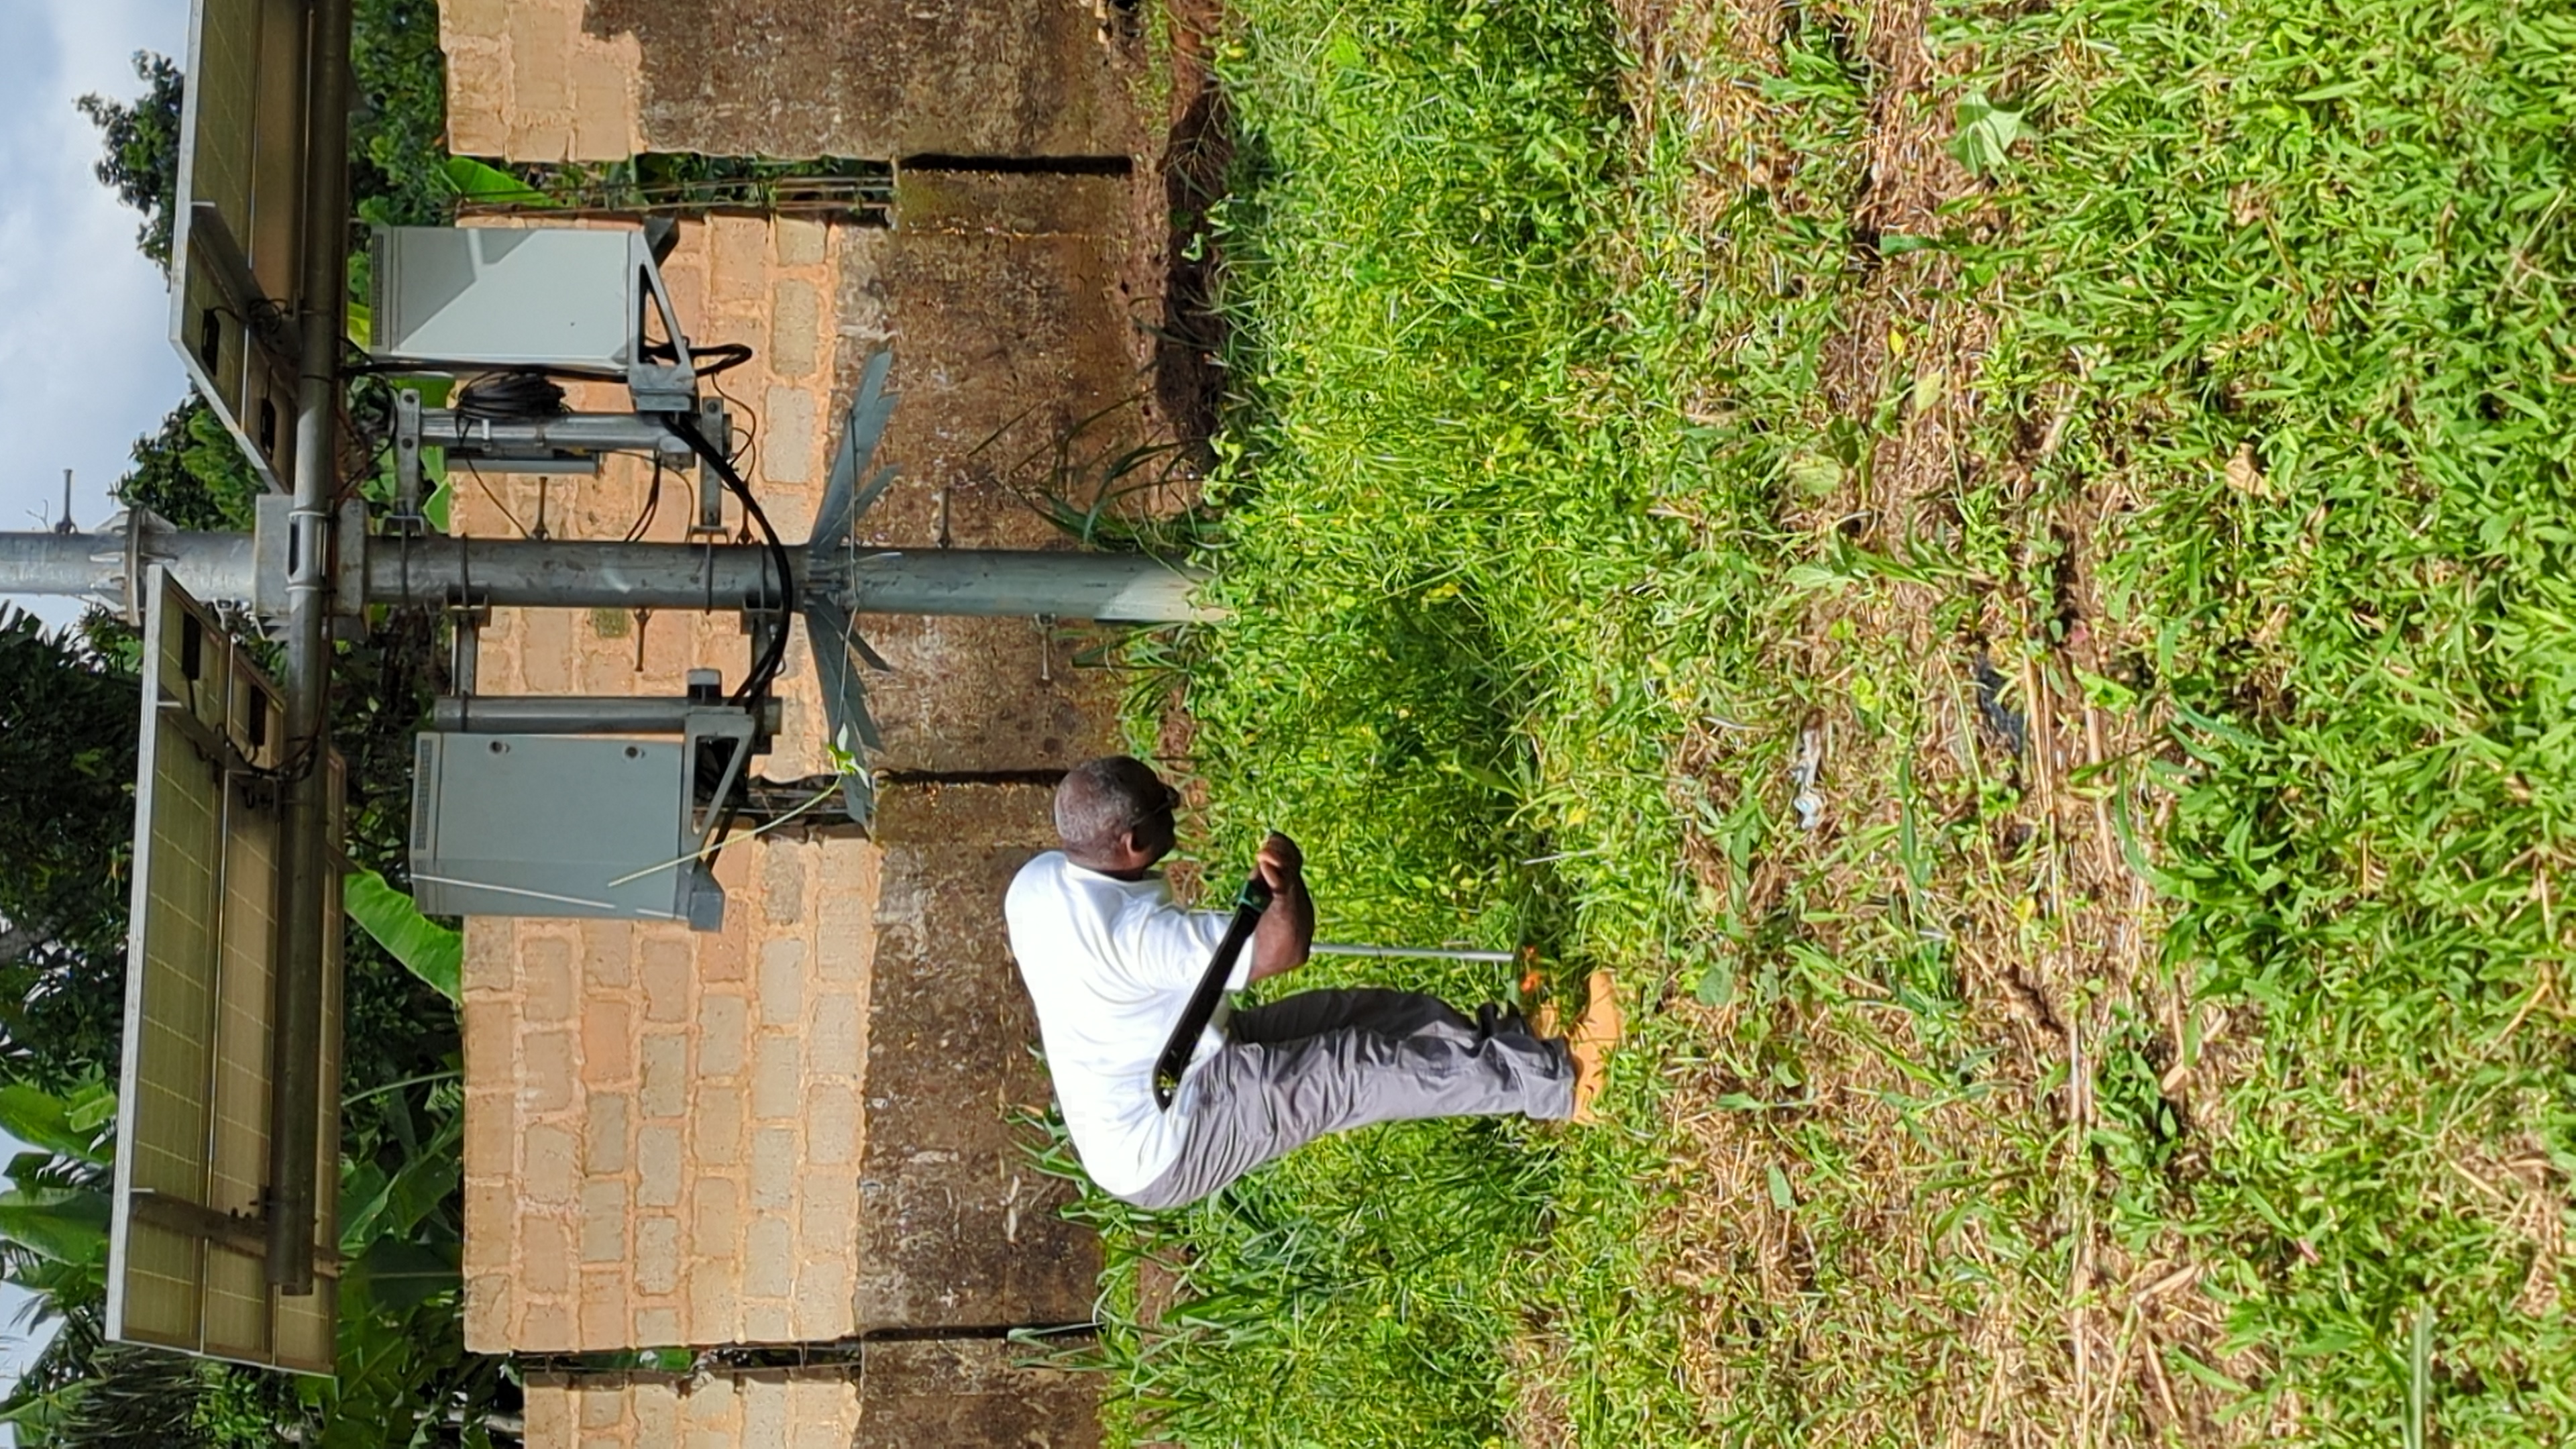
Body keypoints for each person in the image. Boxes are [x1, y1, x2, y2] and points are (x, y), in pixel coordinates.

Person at [1004, 754, 1619, 1210]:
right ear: (1135, 843)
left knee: (1365, 1016)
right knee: (1352, 1070)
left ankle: (1520, 1042)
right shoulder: (1134, 938)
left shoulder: (1037, 882)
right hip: (1169, 1130)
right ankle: (1565, 1082)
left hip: (1184, 1055)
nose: (1176, 798)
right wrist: (1284, 882)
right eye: (1167, 801)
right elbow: (1282, 949)